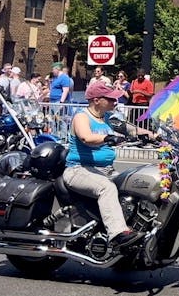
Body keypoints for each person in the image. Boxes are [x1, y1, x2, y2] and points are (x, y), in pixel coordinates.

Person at [62, 83, 155, 251]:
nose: (115, 101)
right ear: (96, 100)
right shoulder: (81, 117)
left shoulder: (108, 118)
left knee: (137, 184)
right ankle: (118, 234)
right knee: (107, 188)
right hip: (79, 170)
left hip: (105, 170)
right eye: (111, 98)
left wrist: (154, 135)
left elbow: (130, 129)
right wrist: (108, 138)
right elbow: (86, 137)